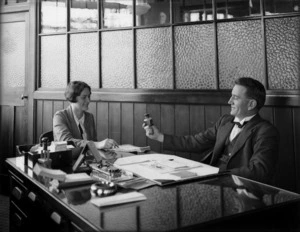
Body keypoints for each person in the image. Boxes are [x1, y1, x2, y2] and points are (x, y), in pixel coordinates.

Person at [144, 77, 279, 184]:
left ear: (251, 104)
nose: (229, 101)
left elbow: (259, 171)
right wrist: (159, 136)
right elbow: (196, 142)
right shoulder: (225, 121)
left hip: (239, 189)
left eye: (235, 98)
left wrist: (213, 173)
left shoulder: (266, 131)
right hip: (208, 181)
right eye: (231, 96)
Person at [53, 81, 118, 150]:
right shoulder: (60, 116)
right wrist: (97, 144)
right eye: (84, 97)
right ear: (73, 98)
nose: (88, 100)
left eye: (89, 96)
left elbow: (94, 144)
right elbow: (66, 142)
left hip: (87, 160)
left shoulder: (89, 117)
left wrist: (106, 148)